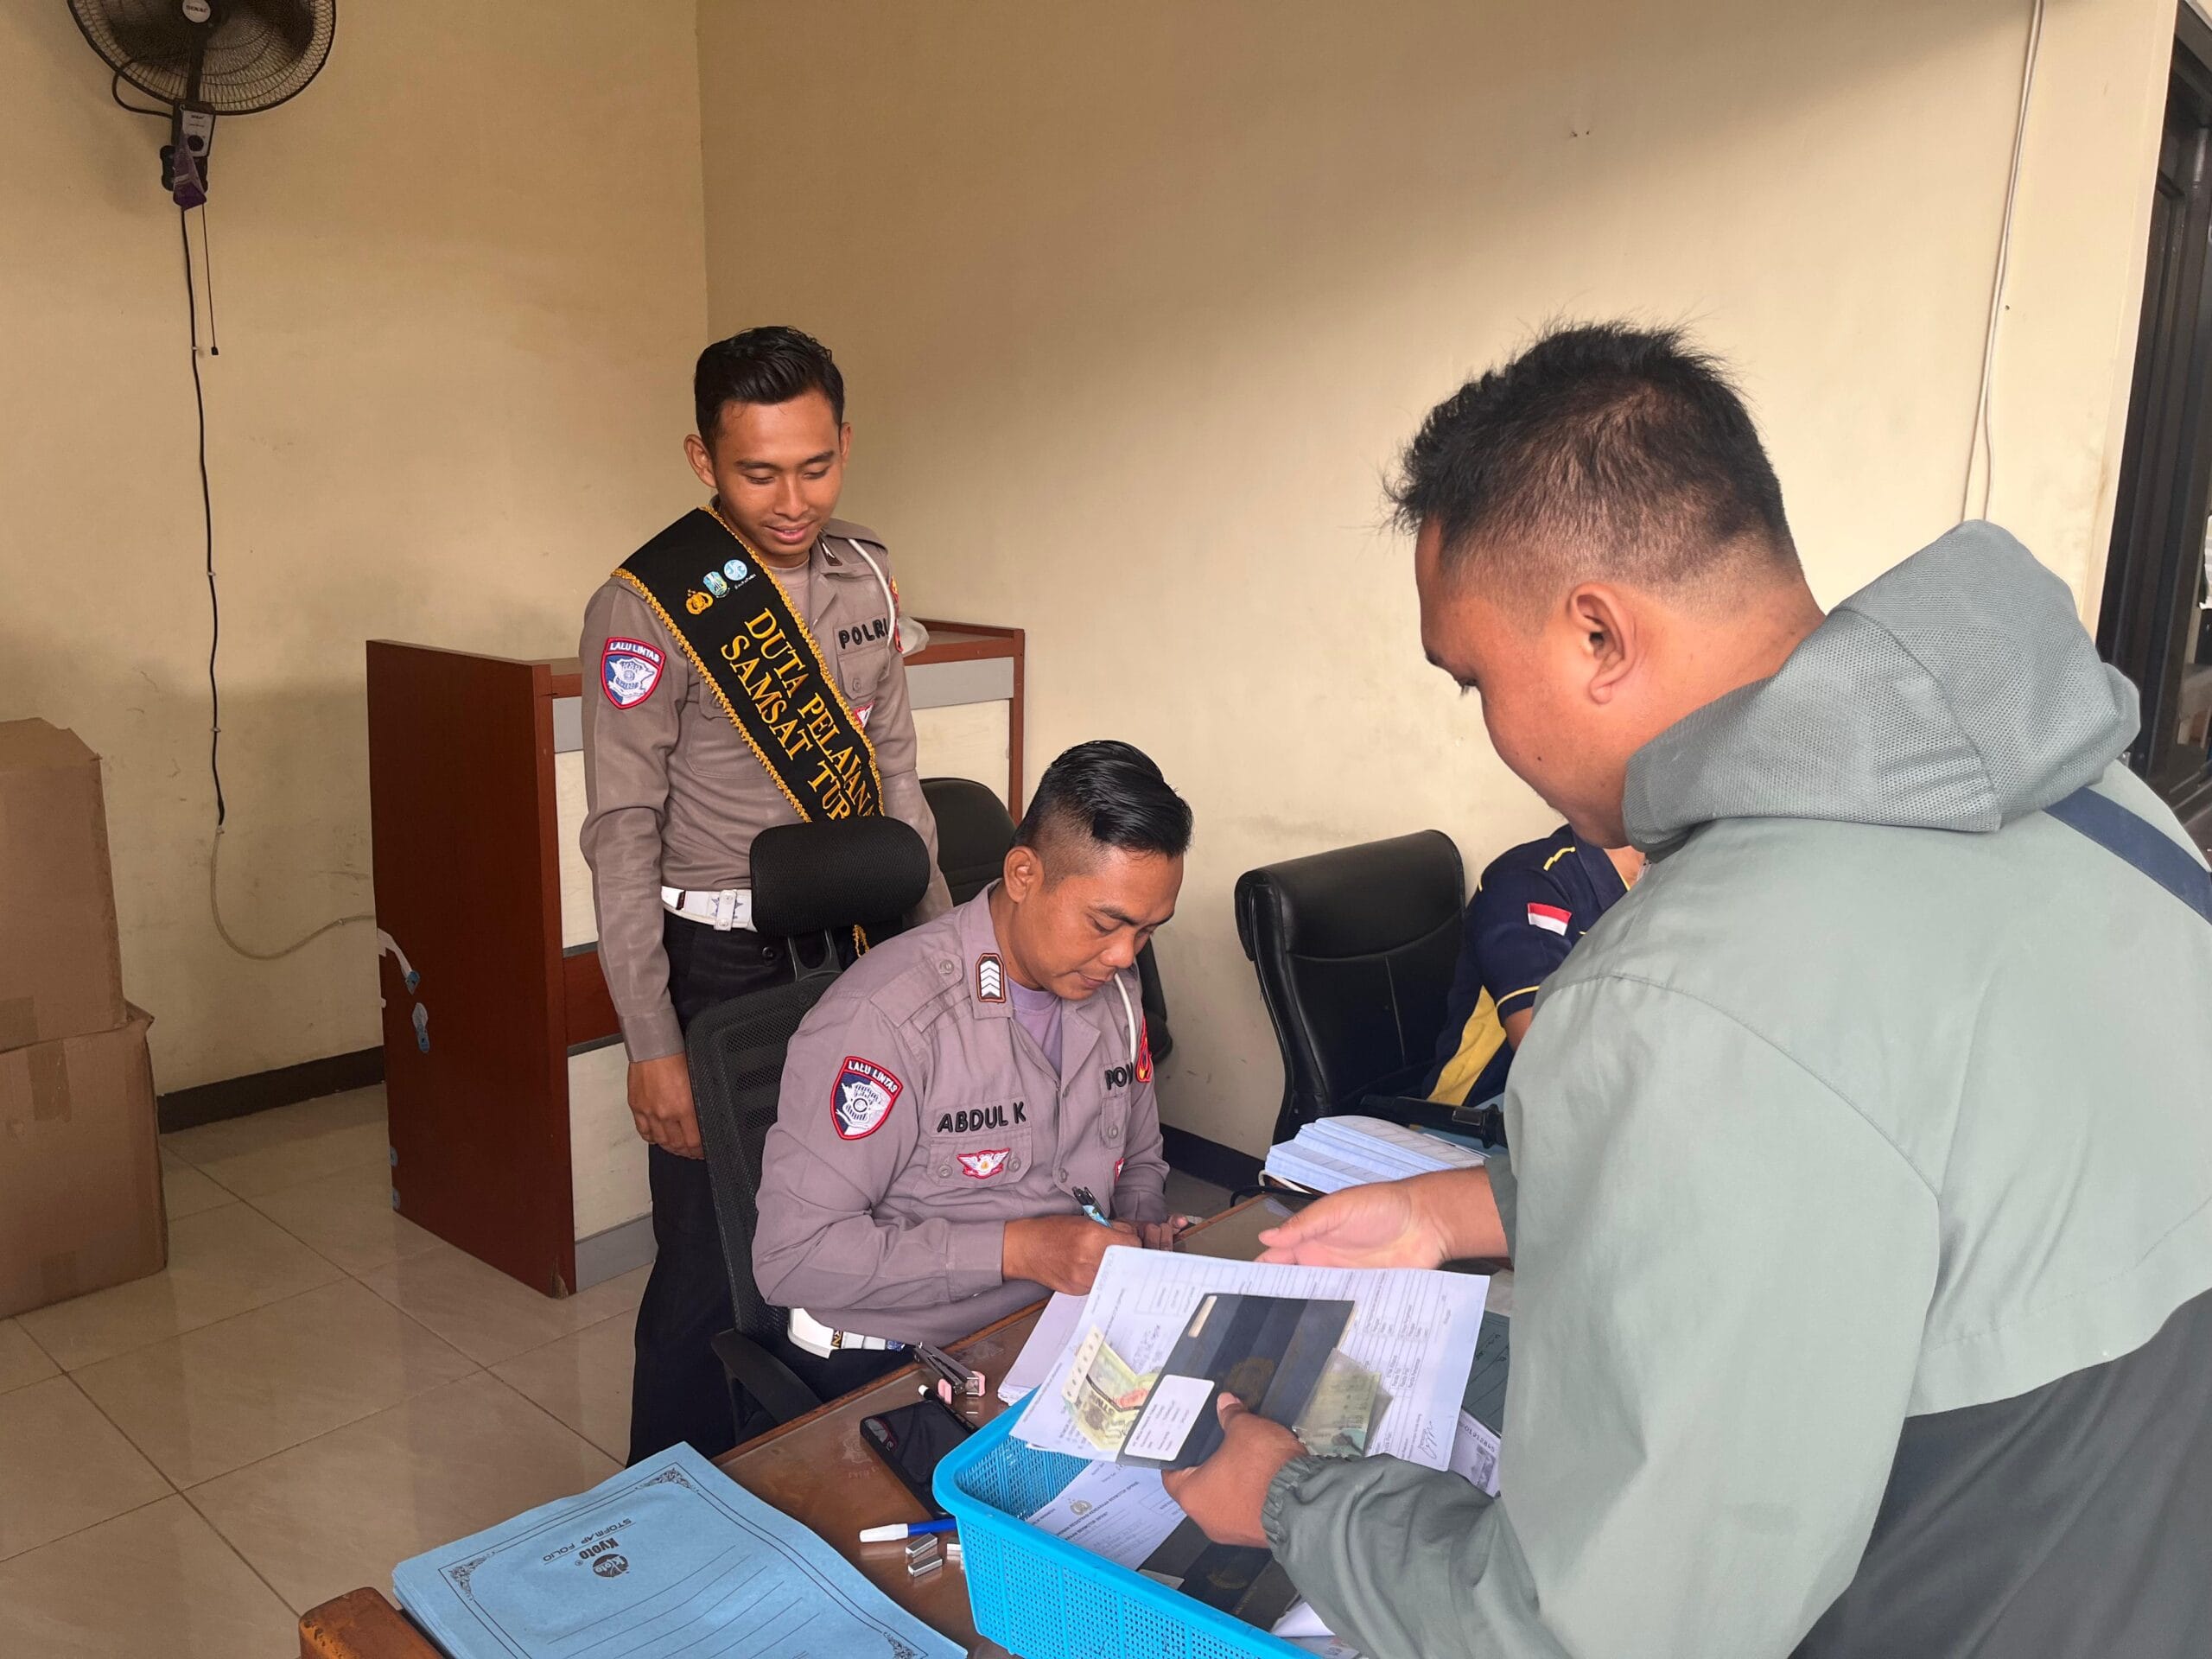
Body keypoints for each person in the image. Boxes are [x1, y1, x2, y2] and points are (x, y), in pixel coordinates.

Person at [1163, 324, 2212, 1657]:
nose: (1491, 728)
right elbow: (1913, 1174)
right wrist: (1462, 1208)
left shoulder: (1685, 986)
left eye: (1476, 679)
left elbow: (1597, 1634)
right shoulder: (2110, 810)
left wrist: (1293, 1500)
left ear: (1598, 632)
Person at [579, 325, 952, 1465]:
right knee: (709, 1264)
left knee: (864, 1219)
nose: (793, 501)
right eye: (757, 472)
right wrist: (652, 1043)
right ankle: (664, 1509)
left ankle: (818, 1476)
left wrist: (950, 959)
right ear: (703, 459)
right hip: (723, 972)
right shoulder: (649, 604)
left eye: (815, 466)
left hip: (865, 949)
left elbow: (896, 776)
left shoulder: (866, 574)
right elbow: (621, 835)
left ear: (845, 442)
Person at [753, 741, 1191, 1371]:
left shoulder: (1113, 990)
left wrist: (1142, 1224)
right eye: (1104, 925)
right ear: (1023, 875)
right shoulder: (884, 1019)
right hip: (904, 1357)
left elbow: (1139, 1158)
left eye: (1147, 931)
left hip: (1060, 1326)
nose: (1125, 955)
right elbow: (792, 1258)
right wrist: (1018, 1250)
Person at [1419, 827, 1642, 1114]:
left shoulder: (1672, 882)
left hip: (1598, 1108)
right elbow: (1545, 1050)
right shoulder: (1528, 882)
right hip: (1477, 1116)